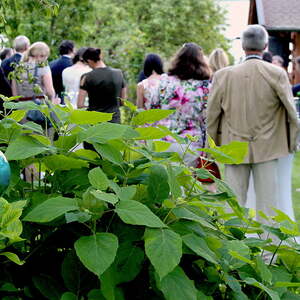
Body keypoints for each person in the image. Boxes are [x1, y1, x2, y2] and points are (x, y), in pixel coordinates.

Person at [207, 25, 299, 220]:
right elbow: (292, 113)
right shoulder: (277, 74)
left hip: (233, 146)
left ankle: (234, 248)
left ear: (242, 46)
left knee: (233, 205)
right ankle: (268, 250)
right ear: (266, 45)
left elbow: (212, 116)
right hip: (269, 147)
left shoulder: (223, 76)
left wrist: (211, 149)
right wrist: (291, 144)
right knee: (269, 207)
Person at [152, 42, 211, 166]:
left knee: (166, 183)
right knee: (187, 182)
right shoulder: (205, 87)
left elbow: (153, 110)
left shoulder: (163, 81)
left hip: (163, 142)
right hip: (191, 144)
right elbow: (208, 119)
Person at [77, 47, 126, 123]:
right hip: (114, 121)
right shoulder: (119, 73)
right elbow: (123, 101)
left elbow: (80, 105)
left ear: (89, 61)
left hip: (95, 122)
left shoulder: (86, 77)